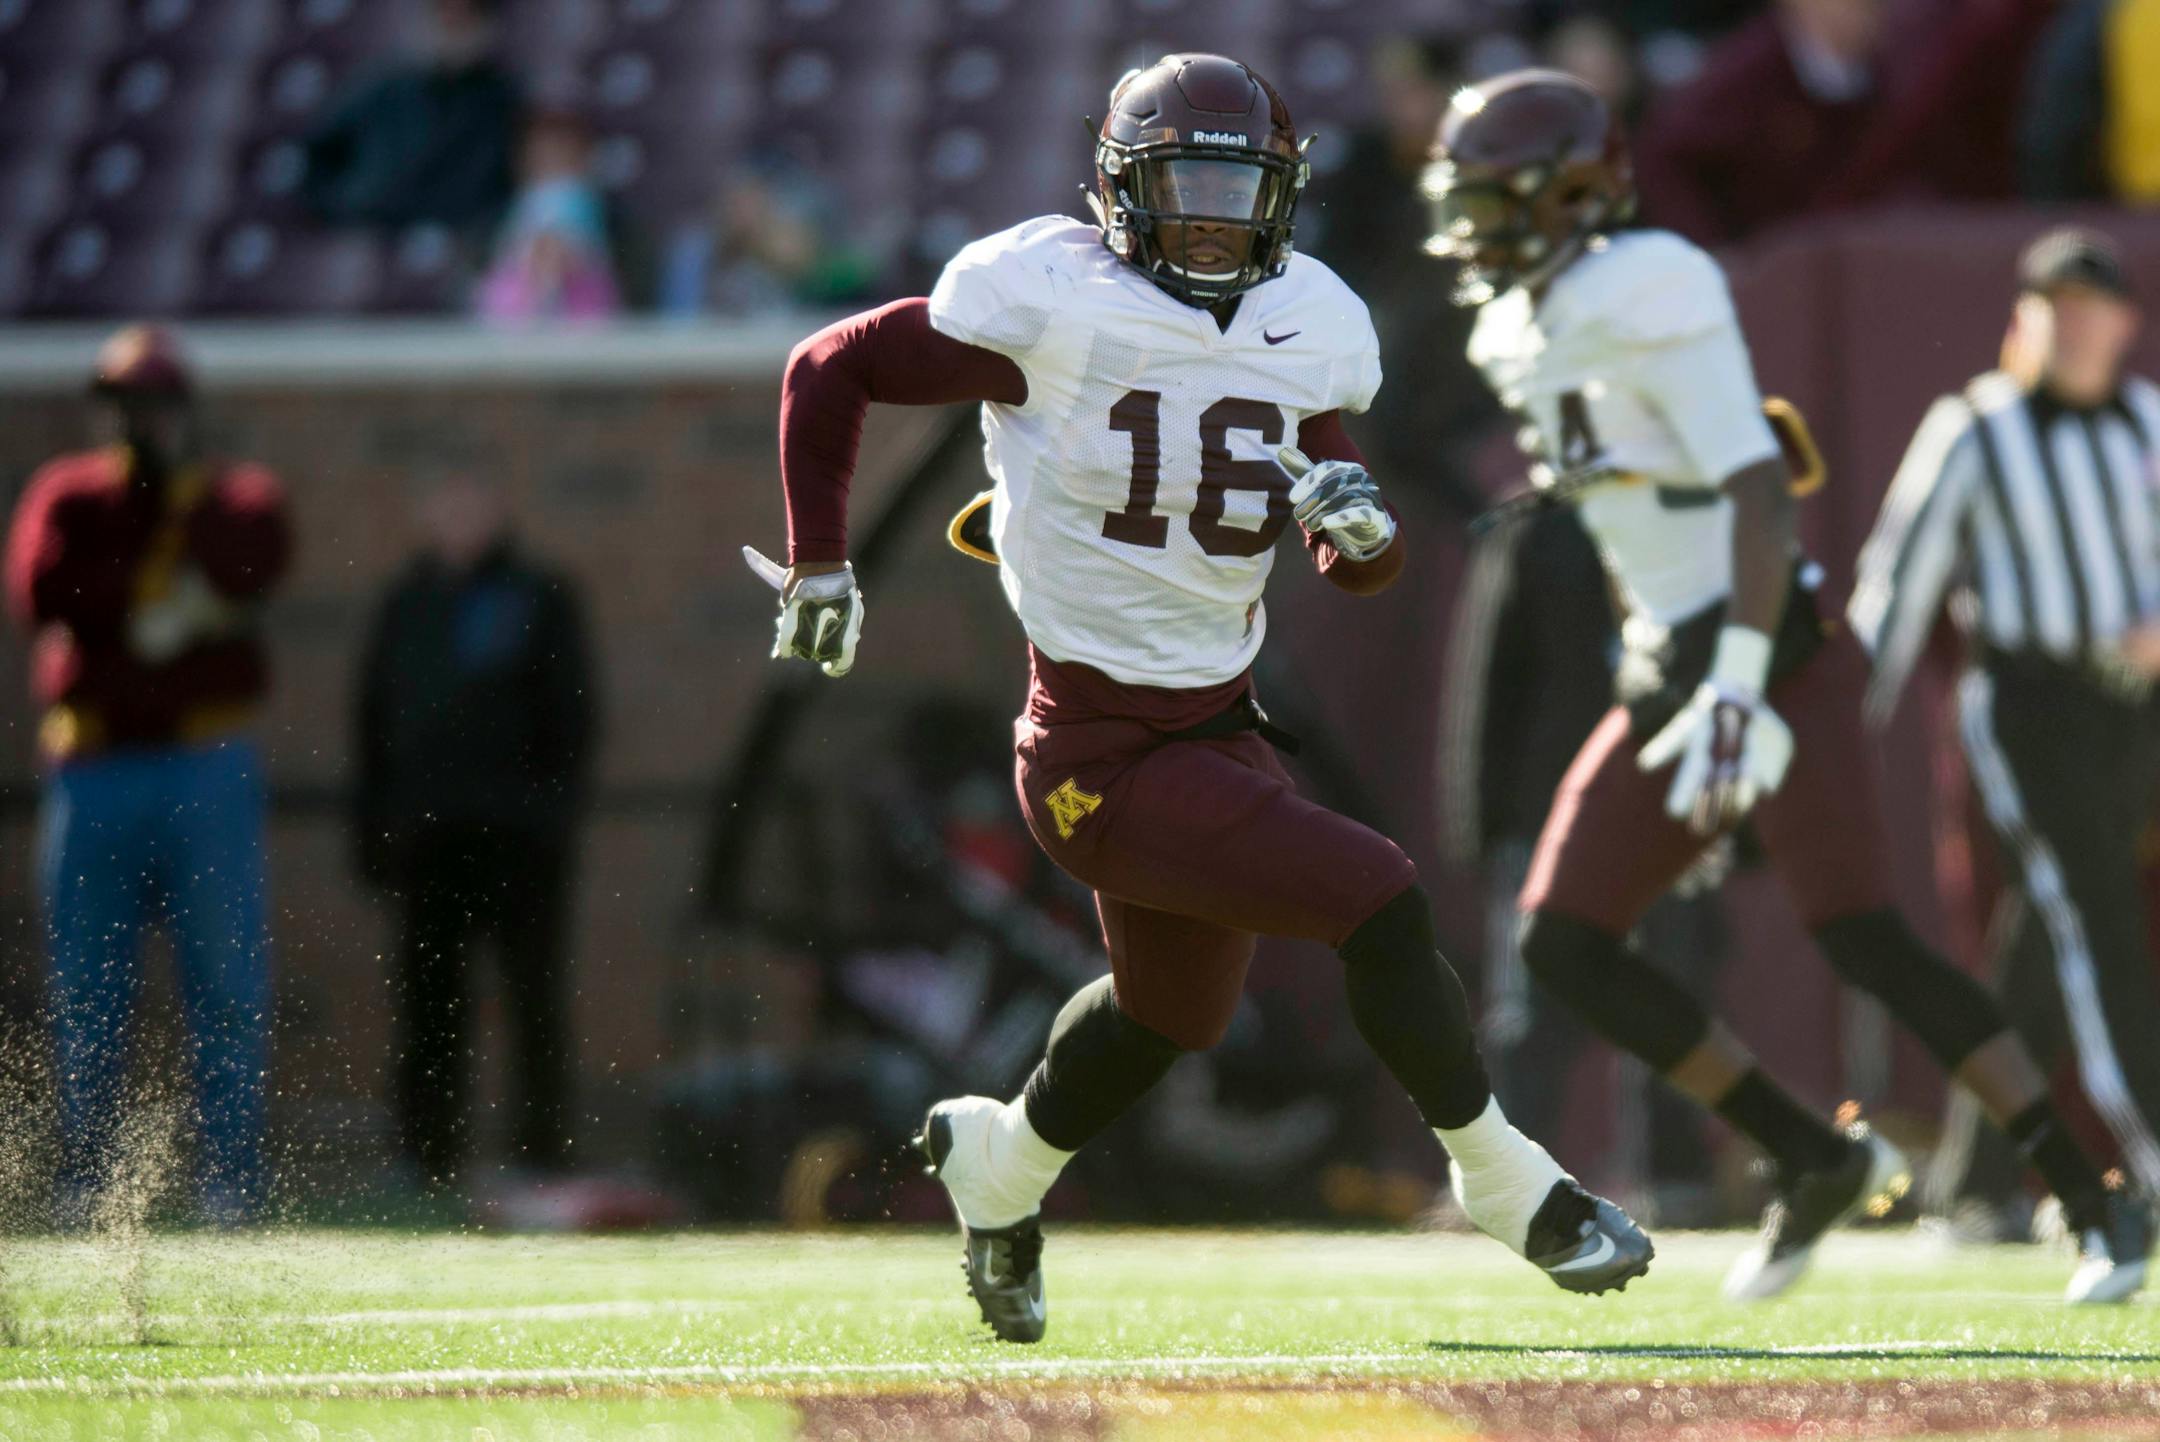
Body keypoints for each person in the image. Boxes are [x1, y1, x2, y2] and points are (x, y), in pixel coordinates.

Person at [755, 53, 1653, 1345]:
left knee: (1172, 1010)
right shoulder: (1052, 297)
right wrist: (821, 553)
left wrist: (1359, 527)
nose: (1217, 219)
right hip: (1091, 748)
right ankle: (1513, 1184)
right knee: (1380, 896)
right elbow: (827, 366)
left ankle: (999, 1166)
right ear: (1123, 189)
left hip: (1215, 725)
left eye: (1240, 189)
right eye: (1190, 187)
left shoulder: (1310, 323)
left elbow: (1362, 557)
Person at [1429, 68, 2149, 1305]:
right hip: (1666, 656)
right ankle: (1812, 1152)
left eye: (1506, 199)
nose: (1483, 227)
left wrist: (1742, 679)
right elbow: (1628, 520)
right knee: (1563, 940)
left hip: (1773, 648)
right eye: (1474, 201)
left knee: (1862, 934)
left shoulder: (1651, 286)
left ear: (1580, 193)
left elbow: (1758, 488)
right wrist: (1656, 659)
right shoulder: (1516, 328)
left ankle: (2098, 1200)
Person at [1850, 227, 2160, 1222]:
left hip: (2133, 707)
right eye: (2052, 310)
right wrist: (1837, 727)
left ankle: (1978, 1174)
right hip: (2028, 699)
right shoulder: (1974, 427)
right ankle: (2155, 1144)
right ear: (2021, 323)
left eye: (2089, 310)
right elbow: (1898, 580)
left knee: (2044, 929)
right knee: (2099, 912)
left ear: (2125, 323)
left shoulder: (2149, 421)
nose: (2072, 330)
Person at [3, 325, 292, 1227]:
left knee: (226, 980)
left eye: (154, 405)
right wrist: (144, 582)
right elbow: (46, 593)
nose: (139, 421)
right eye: (125, 404)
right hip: (93, 765)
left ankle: (229, 1180)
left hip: (204, 764)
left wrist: (178, 543)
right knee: (87, 987)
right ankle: (87, 1181)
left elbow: (257, 559)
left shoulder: (230, 496)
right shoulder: (69, 493)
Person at [354, 469, 595, 1190]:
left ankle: (541, 1157)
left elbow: (573, 715)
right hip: (428, 842)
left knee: (534, 998)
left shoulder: (540, 597)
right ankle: (424, 1157)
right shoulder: (405, 604)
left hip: (519, 840)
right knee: (428, 1002)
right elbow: (371, 722)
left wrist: (550, 816)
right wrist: (374, 830)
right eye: (447, 505)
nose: (461, 521)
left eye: (474, 504)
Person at [302, 0, 521, 237]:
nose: (451, 21)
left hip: (456, 233)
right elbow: (320, 151)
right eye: (444, 11)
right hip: (368, 224)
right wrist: (341, 205)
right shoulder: (382, 85)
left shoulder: (504, 100)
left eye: (465, 14)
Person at [476, 109, 624, 323]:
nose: (551, 159)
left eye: (561, 152)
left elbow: (581, 248)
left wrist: (552, 255)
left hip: (578, 292)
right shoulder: (524, 199)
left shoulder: (581, 198)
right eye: (543, 154)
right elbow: (511, 244)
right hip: (523, 284)